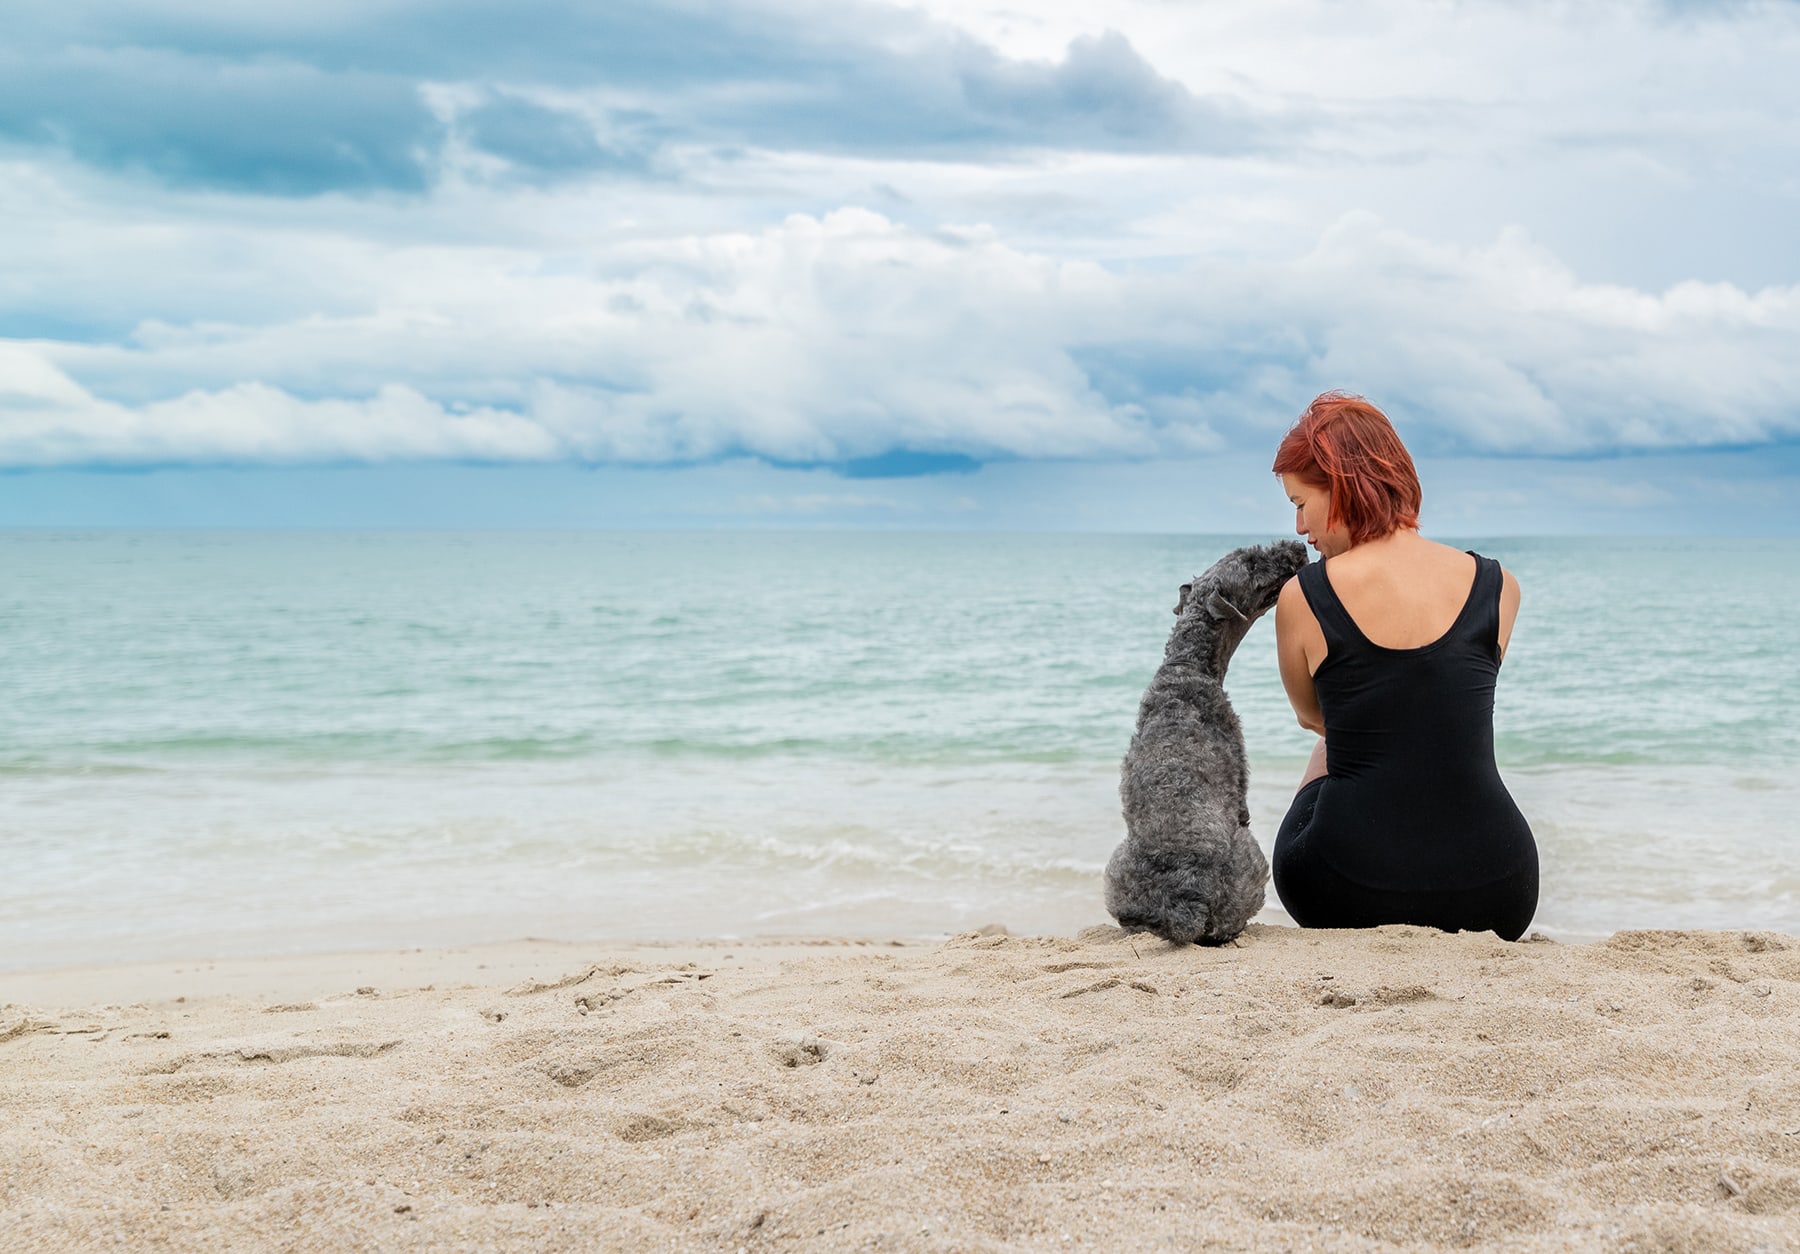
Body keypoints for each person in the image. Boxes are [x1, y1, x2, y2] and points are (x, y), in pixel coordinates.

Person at [1269, 392, 1538, 941]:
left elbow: (1313, 718)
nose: (1299, 527)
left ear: (1341, 488)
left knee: (1338, 738)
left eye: (1300, 502)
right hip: (1499, 889)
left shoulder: (1305, 594)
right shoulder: (1499, 586)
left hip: (1340, 888)